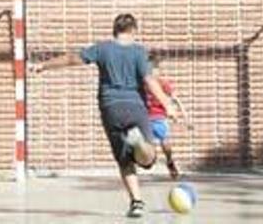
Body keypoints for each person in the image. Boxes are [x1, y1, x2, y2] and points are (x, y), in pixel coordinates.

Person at [33, 14, 177, 218]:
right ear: (133, 31)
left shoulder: (102, 48)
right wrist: (167, 104)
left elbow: (73, 58)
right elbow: (149, 80)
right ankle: (139, 144)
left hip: (110, 108)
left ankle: (136, 202)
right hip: (135, 106)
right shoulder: (138, 51)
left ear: (114, 31)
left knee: (124, 161)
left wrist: (43, 65)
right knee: (148, 159)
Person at [146, 57, 186, 180]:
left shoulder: (163, 83)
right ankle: (149, 159)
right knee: (148, 147)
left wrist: (183, 114)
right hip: (145, 119)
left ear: (158, 71)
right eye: (149, 70)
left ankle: (169, 161)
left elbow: (175, 99)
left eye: (154, 70)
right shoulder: (143, 83)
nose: (152, 72)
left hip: (159, 117)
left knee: (165, 142)